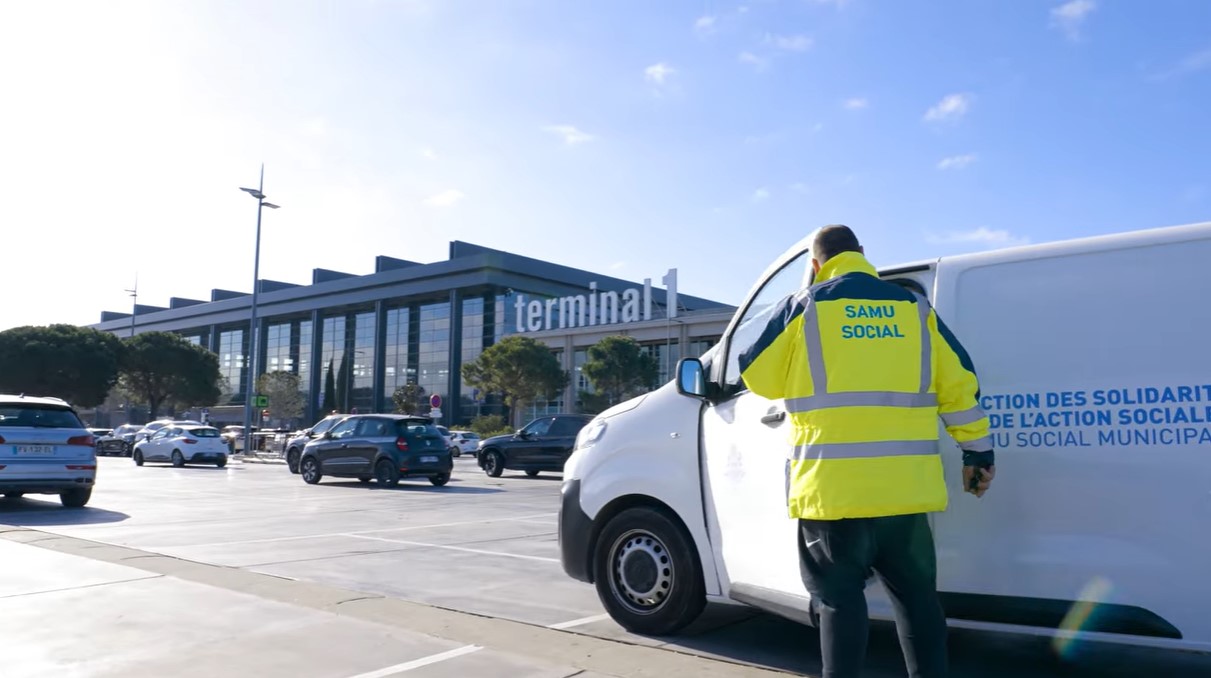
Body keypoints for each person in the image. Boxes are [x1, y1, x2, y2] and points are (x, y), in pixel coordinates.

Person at [737, 225, 995, 678]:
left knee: (839, 603)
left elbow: (757, 376)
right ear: (862, 254)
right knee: (917, 600)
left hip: (832, 496)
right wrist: (977, 454)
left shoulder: (804, 307)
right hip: (904, 497)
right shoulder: (914, 308)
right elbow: (959, 386)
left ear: (815, 265)